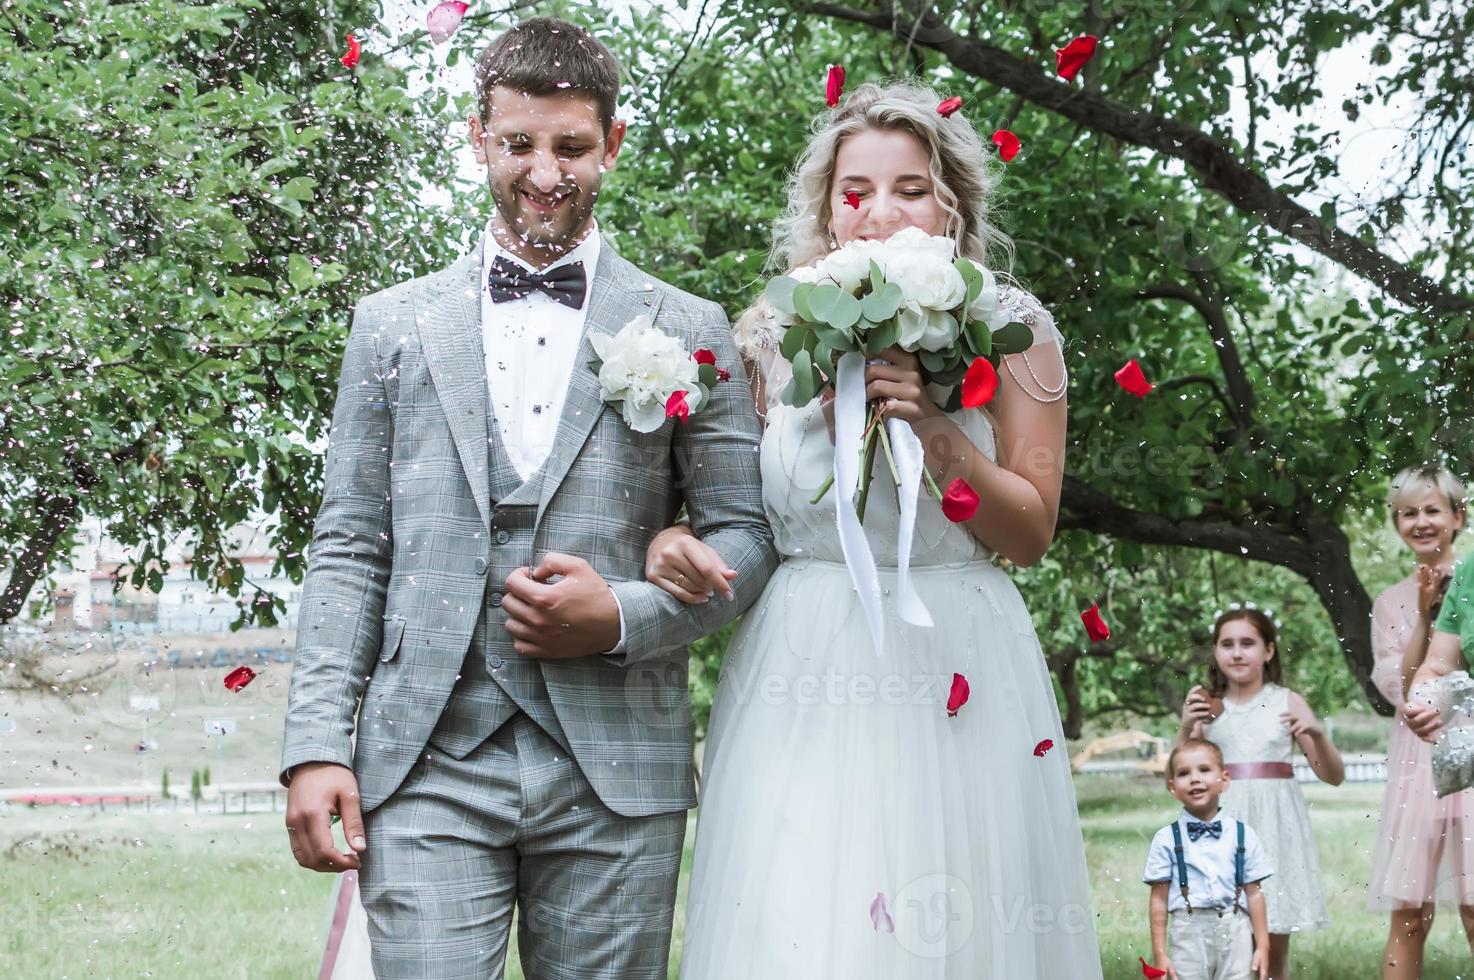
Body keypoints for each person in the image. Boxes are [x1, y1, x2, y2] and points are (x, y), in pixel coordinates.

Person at [279, 17, 778, 979]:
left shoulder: (689, 325)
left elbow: (745, 538)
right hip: (425, 759)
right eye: (519, 144)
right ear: (478, 138)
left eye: (572, 147)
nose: (545, 173)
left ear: (613, 145)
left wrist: (624, 615)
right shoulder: (389, 328)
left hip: (615, 768)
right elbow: (348, 545)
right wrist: (314, 747)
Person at [645, 80, 1102, 977]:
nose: (879, 213)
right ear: (826, 206)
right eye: (855, 191)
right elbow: (722, 515)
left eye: (910, 188)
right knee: (799, 915)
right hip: (801, 665)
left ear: (953, 206)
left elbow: (1032, 533)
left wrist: (937, 434)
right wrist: (669, 538)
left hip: (955, 657)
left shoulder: (1013, 329)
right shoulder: (766, 337)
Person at [1179, 606, 1342, 978]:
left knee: (1271, 939)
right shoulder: (1207, 709)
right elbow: (1179, 778)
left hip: (1274, 830)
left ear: (1268, 651)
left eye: (1248, 643)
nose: (1237, 653)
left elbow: (1332, 775)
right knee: (1224, 936)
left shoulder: (1287, 702)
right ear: (1216, 652)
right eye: (1227, 644)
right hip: (1224, 829)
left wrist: (1315, 733)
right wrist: (1187, 727)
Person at [1367, 465, 1474, 977]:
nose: (1421, 522)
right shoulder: (1390, 602)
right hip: (1419, 755)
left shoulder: (1473, 580)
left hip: (1472, 744)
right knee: (1410, 910)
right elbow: (1402, 688)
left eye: (1433, 510)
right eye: (1409, 513)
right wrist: (1426, 616)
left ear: (1458, 516)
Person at [1142, 738, 1272, 980]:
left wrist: (1263, 945)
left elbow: (1254, 893)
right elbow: (1158, 900)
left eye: (1204, 770)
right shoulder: (1166, 839)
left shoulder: (1244, 834)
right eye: (1183, 773)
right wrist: (1160, 954)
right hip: (1188, 931)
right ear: (1172, 786)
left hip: (1236, 930)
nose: (1195, 778)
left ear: (1224, 780)